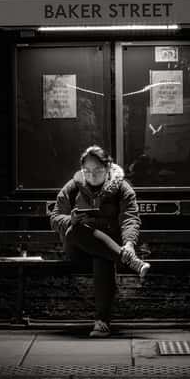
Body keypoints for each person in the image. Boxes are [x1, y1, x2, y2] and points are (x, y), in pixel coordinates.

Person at [49, 144, 151, 338]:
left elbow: (130, 218)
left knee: (102, 257)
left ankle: (101, 322)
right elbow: (54, 218)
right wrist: (71, 220)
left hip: (107, 250)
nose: (92, 175)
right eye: (87, 171)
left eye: (97, 171)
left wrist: (129, 243)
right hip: (77, 248)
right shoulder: (72, 187)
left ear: (108, 167)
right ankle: (128, 260)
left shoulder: (122, 188)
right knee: (77, 230)